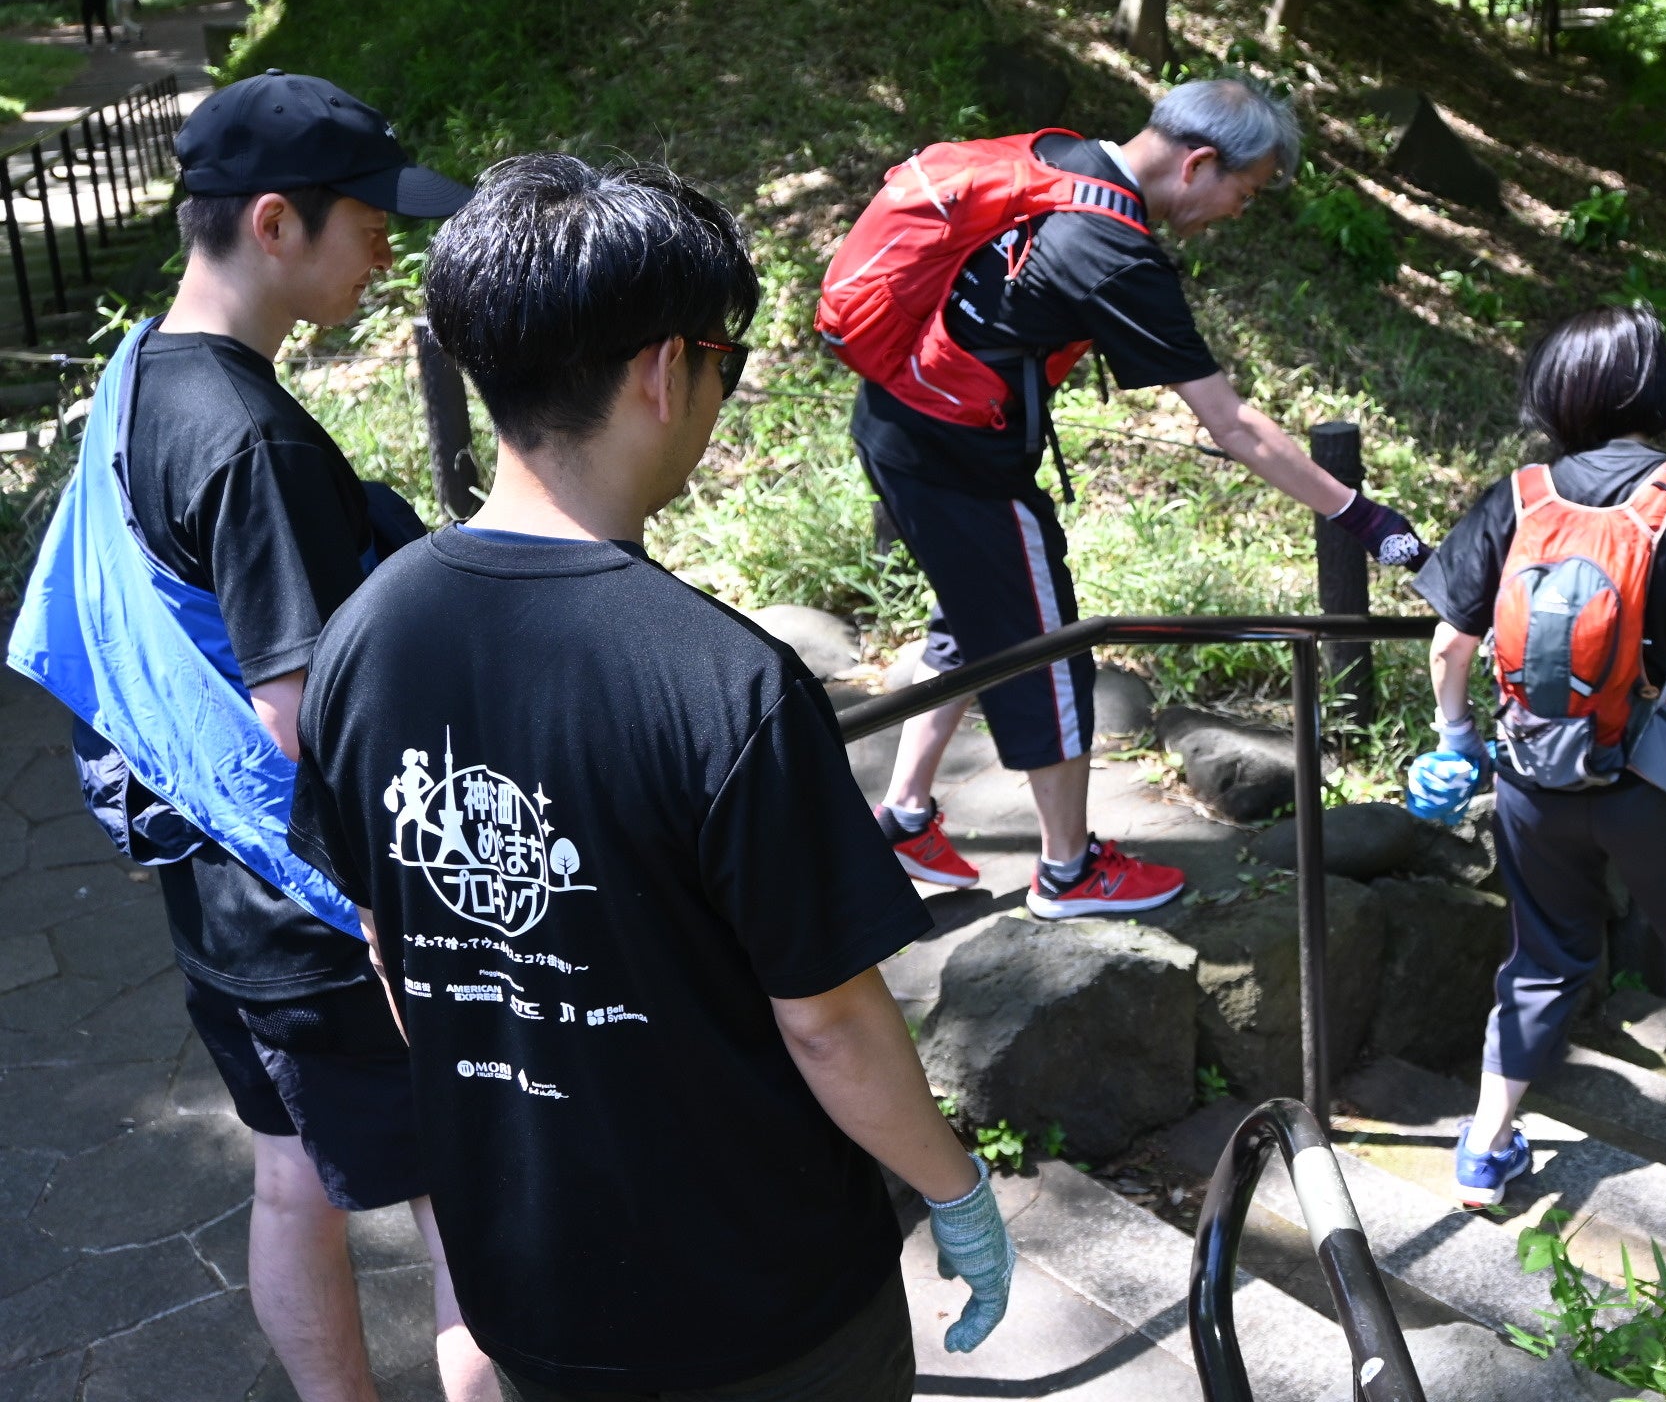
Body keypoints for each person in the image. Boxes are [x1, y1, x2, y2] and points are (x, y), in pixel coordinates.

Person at [287, 155, 1014, 1401]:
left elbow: (388, 939)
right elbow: (828, 1019)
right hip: (761, 1304)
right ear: (664, 368)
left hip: (529, 1278)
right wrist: (958, 1185)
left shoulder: (362, 637)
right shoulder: (725, 682)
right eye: (725, 362)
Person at [5, 71, 494, 1402]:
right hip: (321, 912)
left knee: (291, 1179)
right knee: (468, 1208)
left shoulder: (138, 381)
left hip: (218, 901)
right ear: (276, 223)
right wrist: (400, 918)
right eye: (372, 220)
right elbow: (301, 722)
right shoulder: (246, 438)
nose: (390, 251)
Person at [826, 77, 1429, 916]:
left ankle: (902, 816)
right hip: (961, 462)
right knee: (1046, 647)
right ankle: (1069, 873)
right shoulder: (1110, 248)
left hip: (895, 417)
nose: (1237, 213)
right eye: (1243, 194)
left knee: (976, 618)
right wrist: (1360, 515)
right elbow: (1233, 424)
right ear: (1201, 163)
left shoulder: (1057, 157)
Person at [1408, 306, 1666, 1206]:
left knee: (1543, 954)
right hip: (1663, 786)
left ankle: (1486, 1144)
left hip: (1533, 778)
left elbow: (1451, 642)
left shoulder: (1519, 496)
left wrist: (1455, 740)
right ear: (1654, 390)